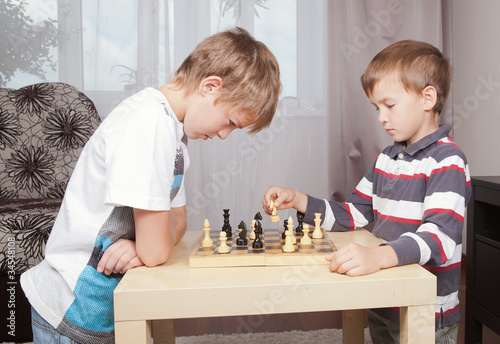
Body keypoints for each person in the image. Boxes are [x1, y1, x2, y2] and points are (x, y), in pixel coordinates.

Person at [21, 27, 281, 344]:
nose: (225, 135)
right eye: (230, 122)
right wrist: (150, 245)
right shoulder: (148, 123)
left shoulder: (175, 139)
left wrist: (142, 246)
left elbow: (180, 221)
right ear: (210, 87)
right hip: (70, 311)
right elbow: (157, 249)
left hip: (101, 307)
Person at [262, 40, 470, 343]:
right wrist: (300, 200)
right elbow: (355, 213)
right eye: (376, 108)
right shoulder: (387, 158)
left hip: (424, 307)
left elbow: (439, 238)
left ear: (428, 98)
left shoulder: (447, 161)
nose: (380, 117)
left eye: (389, 105)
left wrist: (378, 257)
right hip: (385, 298)